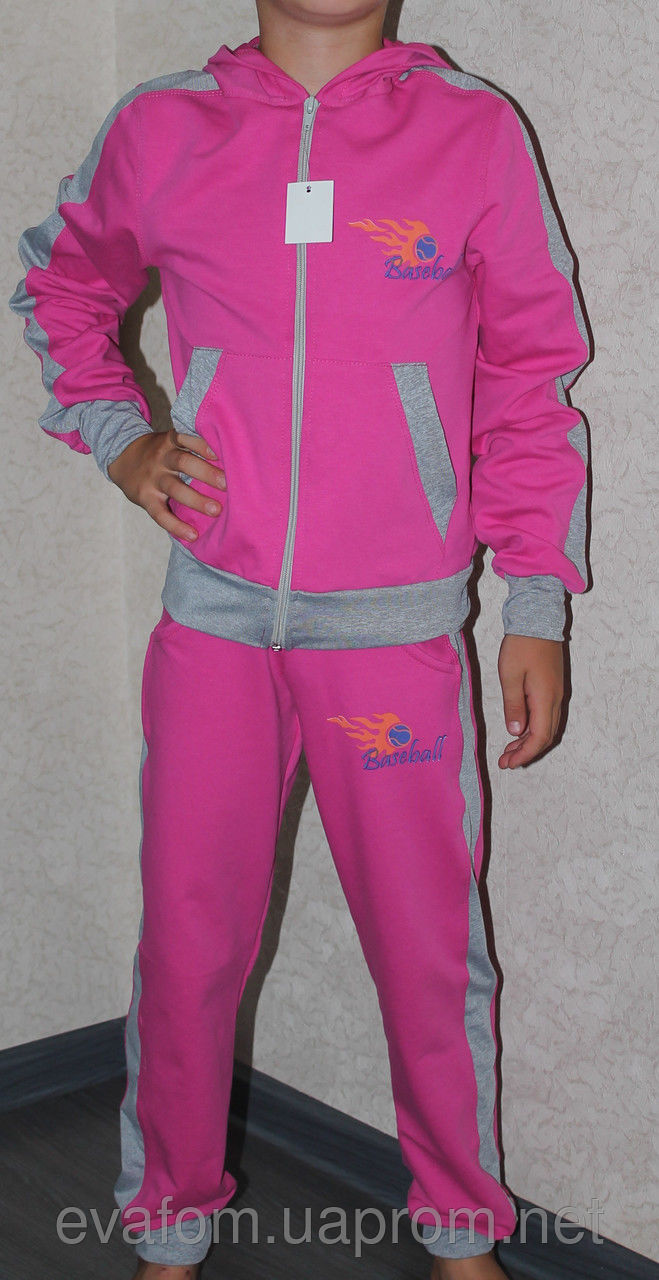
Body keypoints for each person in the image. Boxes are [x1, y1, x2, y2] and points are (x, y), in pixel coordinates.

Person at [8, 0, 591, 1277]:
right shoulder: (164, 127)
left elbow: (530, 379)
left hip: (391, 636)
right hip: (215, 624)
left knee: (428, 953)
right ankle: (168, 1228)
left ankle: (458, 1231)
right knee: (187, 944)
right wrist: (124, 440)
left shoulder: (472, 133)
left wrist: (534, 599)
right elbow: (58, 282)